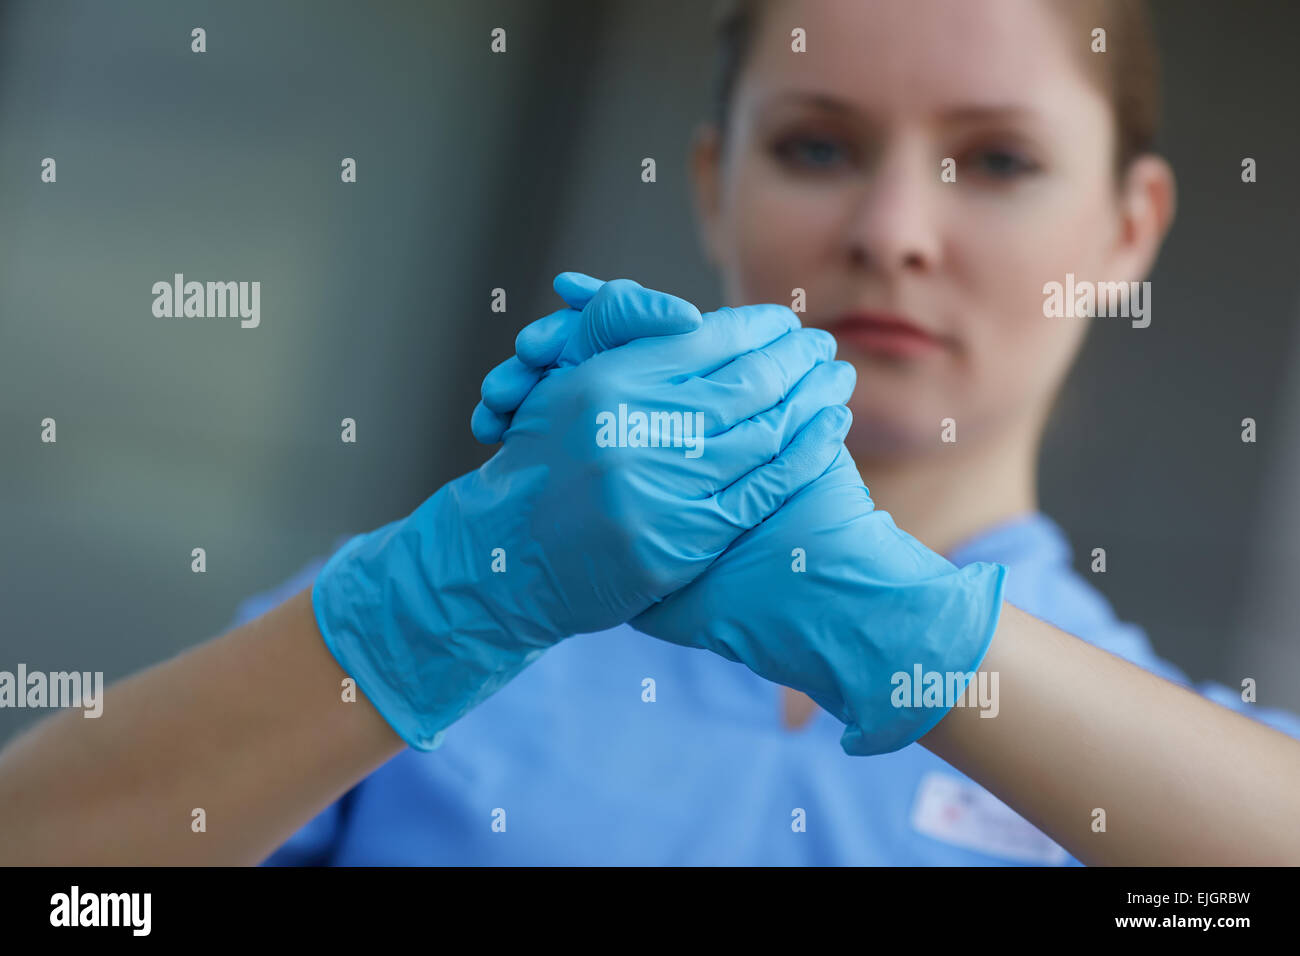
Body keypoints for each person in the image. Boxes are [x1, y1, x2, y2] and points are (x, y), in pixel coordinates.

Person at [2, 0, 1298, 867]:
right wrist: (437, 605)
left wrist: (907, 635)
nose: (894, 229)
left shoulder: (1200, 798)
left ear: (1128, 231)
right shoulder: (440, 626)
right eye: (816, 145)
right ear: (710, 184)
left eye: (998, 162)